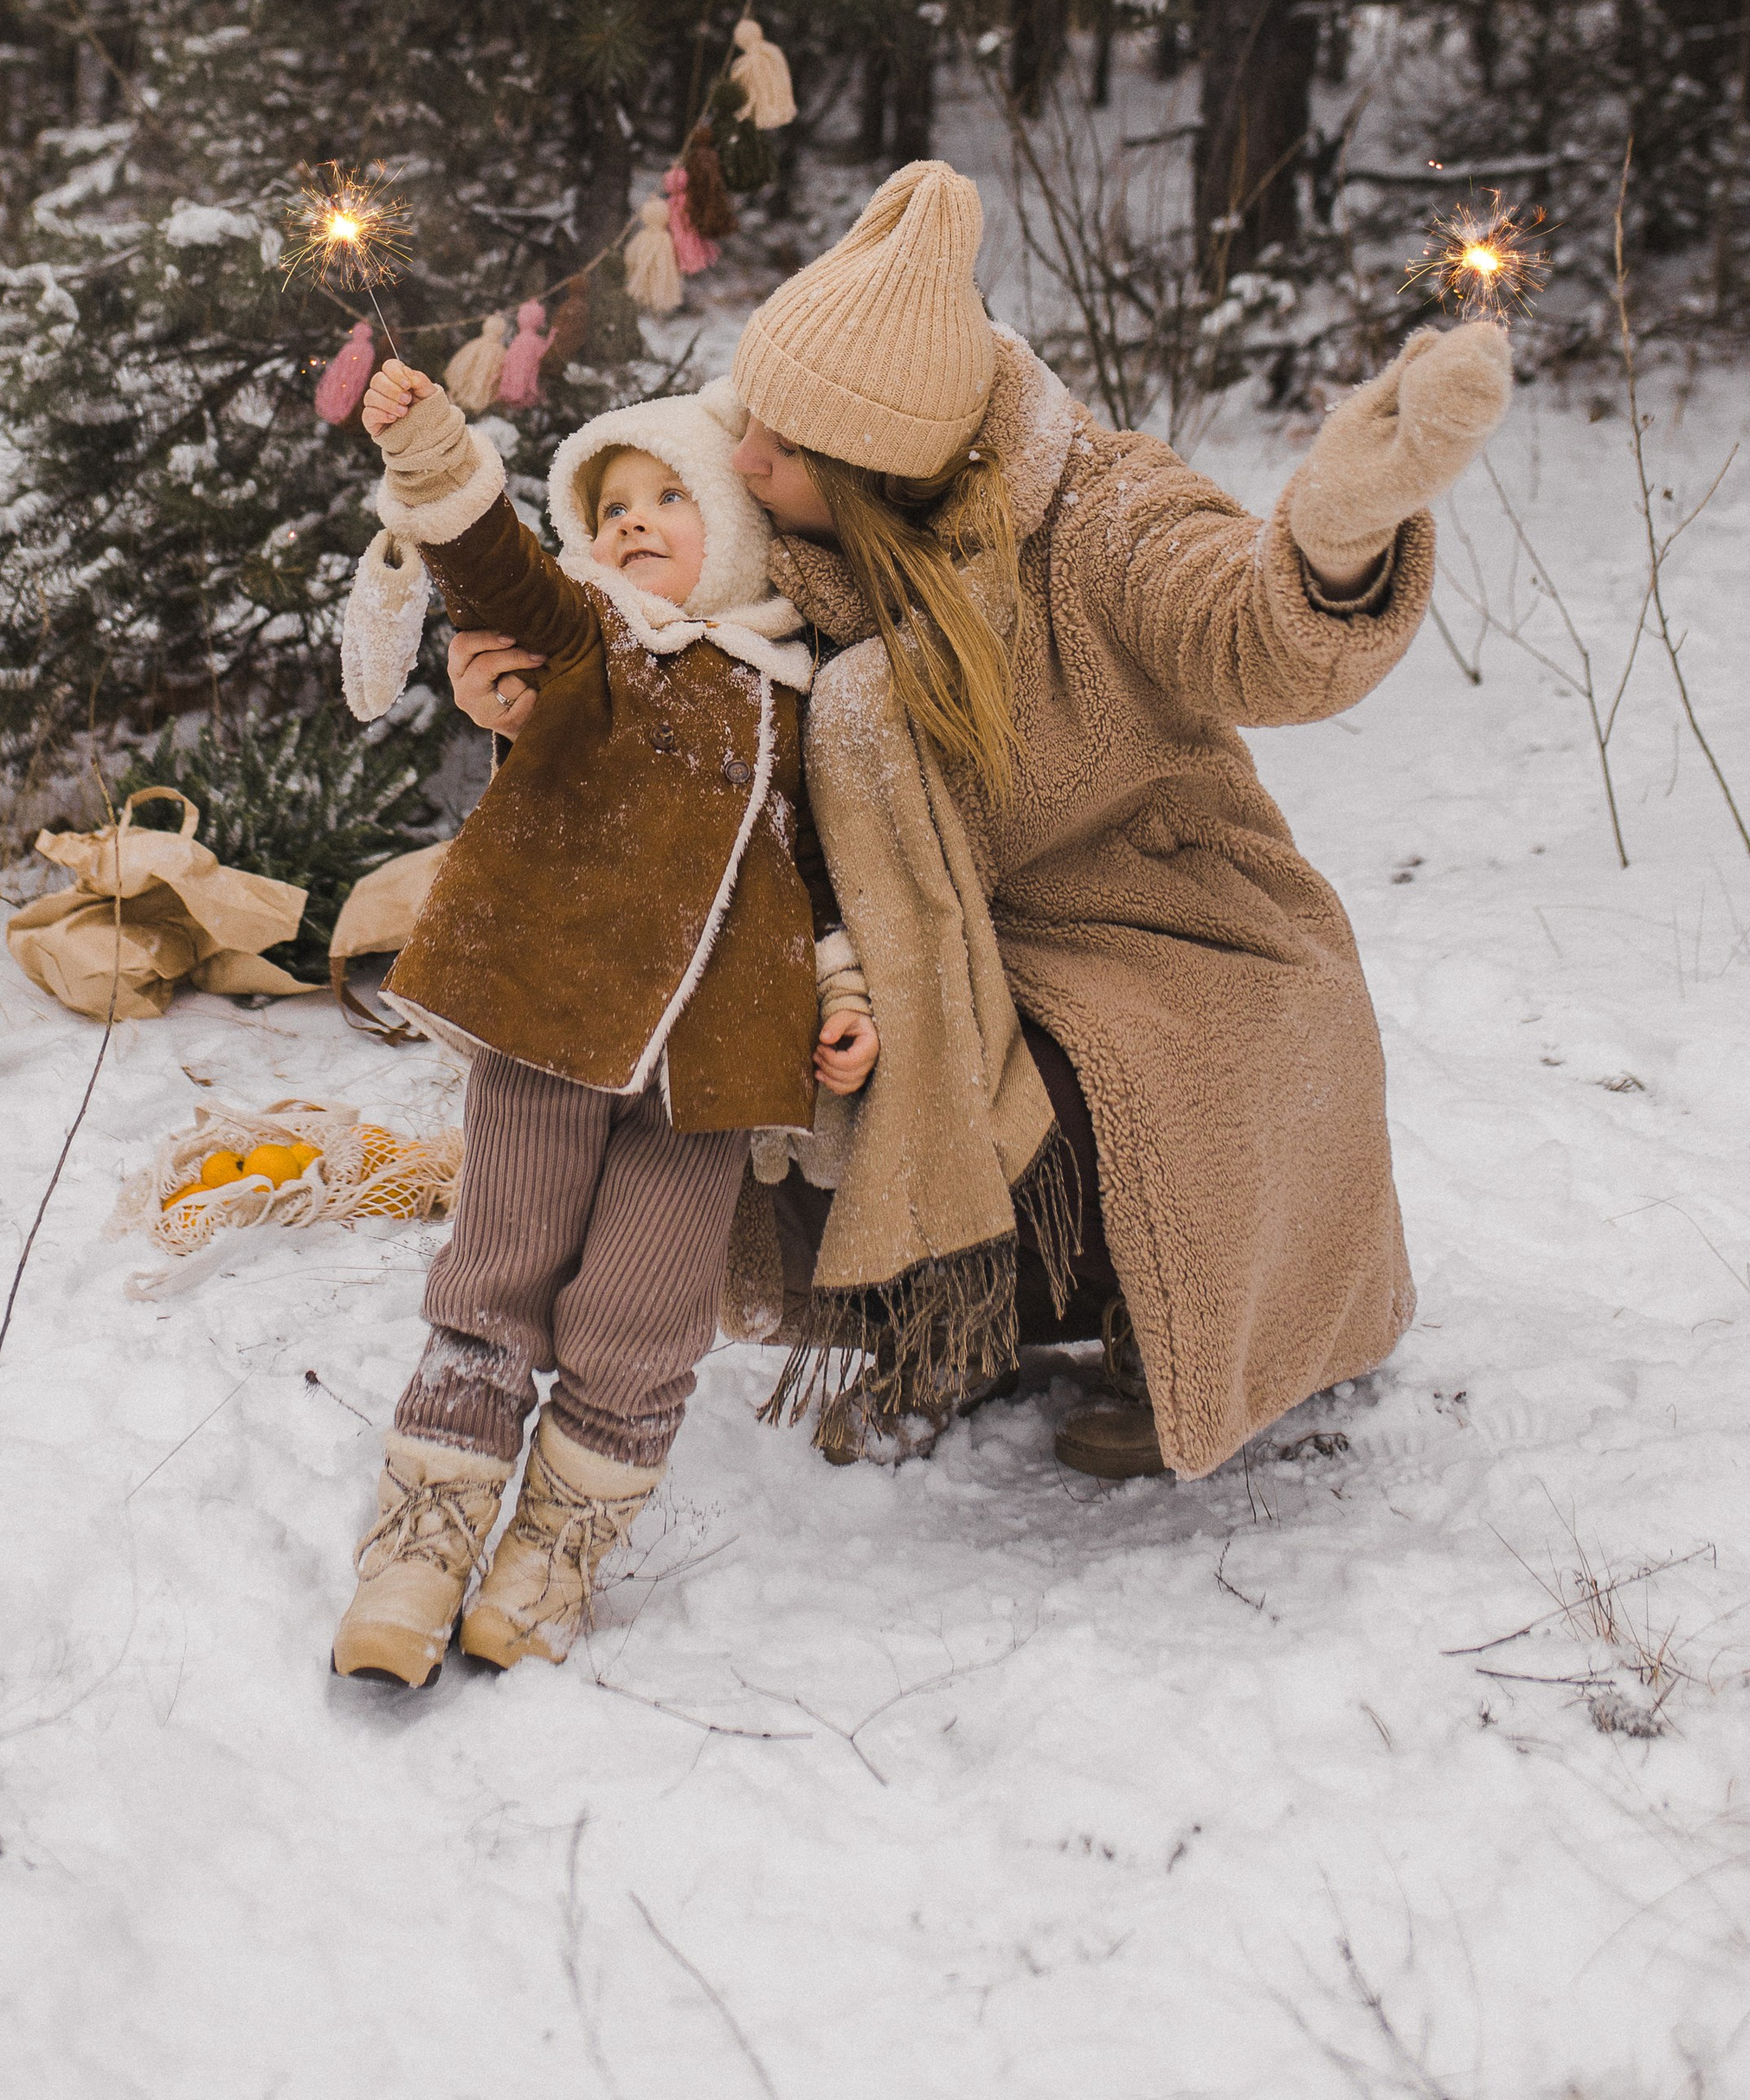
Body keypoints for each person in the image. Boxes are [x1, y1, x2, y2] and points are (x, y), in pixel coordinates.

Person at [447, 160, 1513, 1483]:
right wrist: (526, 690)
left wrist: (1333, 538)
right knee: (853, 1045)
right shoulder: (778, 476)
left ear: (876, 478)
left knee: (1102, 1088)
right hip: (913, 930)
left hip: (1163, 918)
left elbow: (1251, 631)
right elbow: (635, 610)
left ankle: (1162, 1316)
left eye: (780, 449)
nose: (739, 454)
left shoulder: (1099, 513)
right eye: (750, 417)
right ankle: (949, 1324)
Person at [329, 362, 875, 1686]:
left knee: (644, 1310)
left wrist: (846, 996)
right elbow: (497, 569)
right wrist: (436, 453)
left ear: (737, 531)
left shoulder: (804, 701)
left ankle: (558, 1545)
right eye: (608, 502)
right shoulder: (594, 638)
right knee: (501, 1265)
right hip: (553, 1019)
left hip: (718, 1073)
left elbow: (829, 875)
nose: (631, 520)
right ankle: (426, 1538)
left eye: (666, 495)